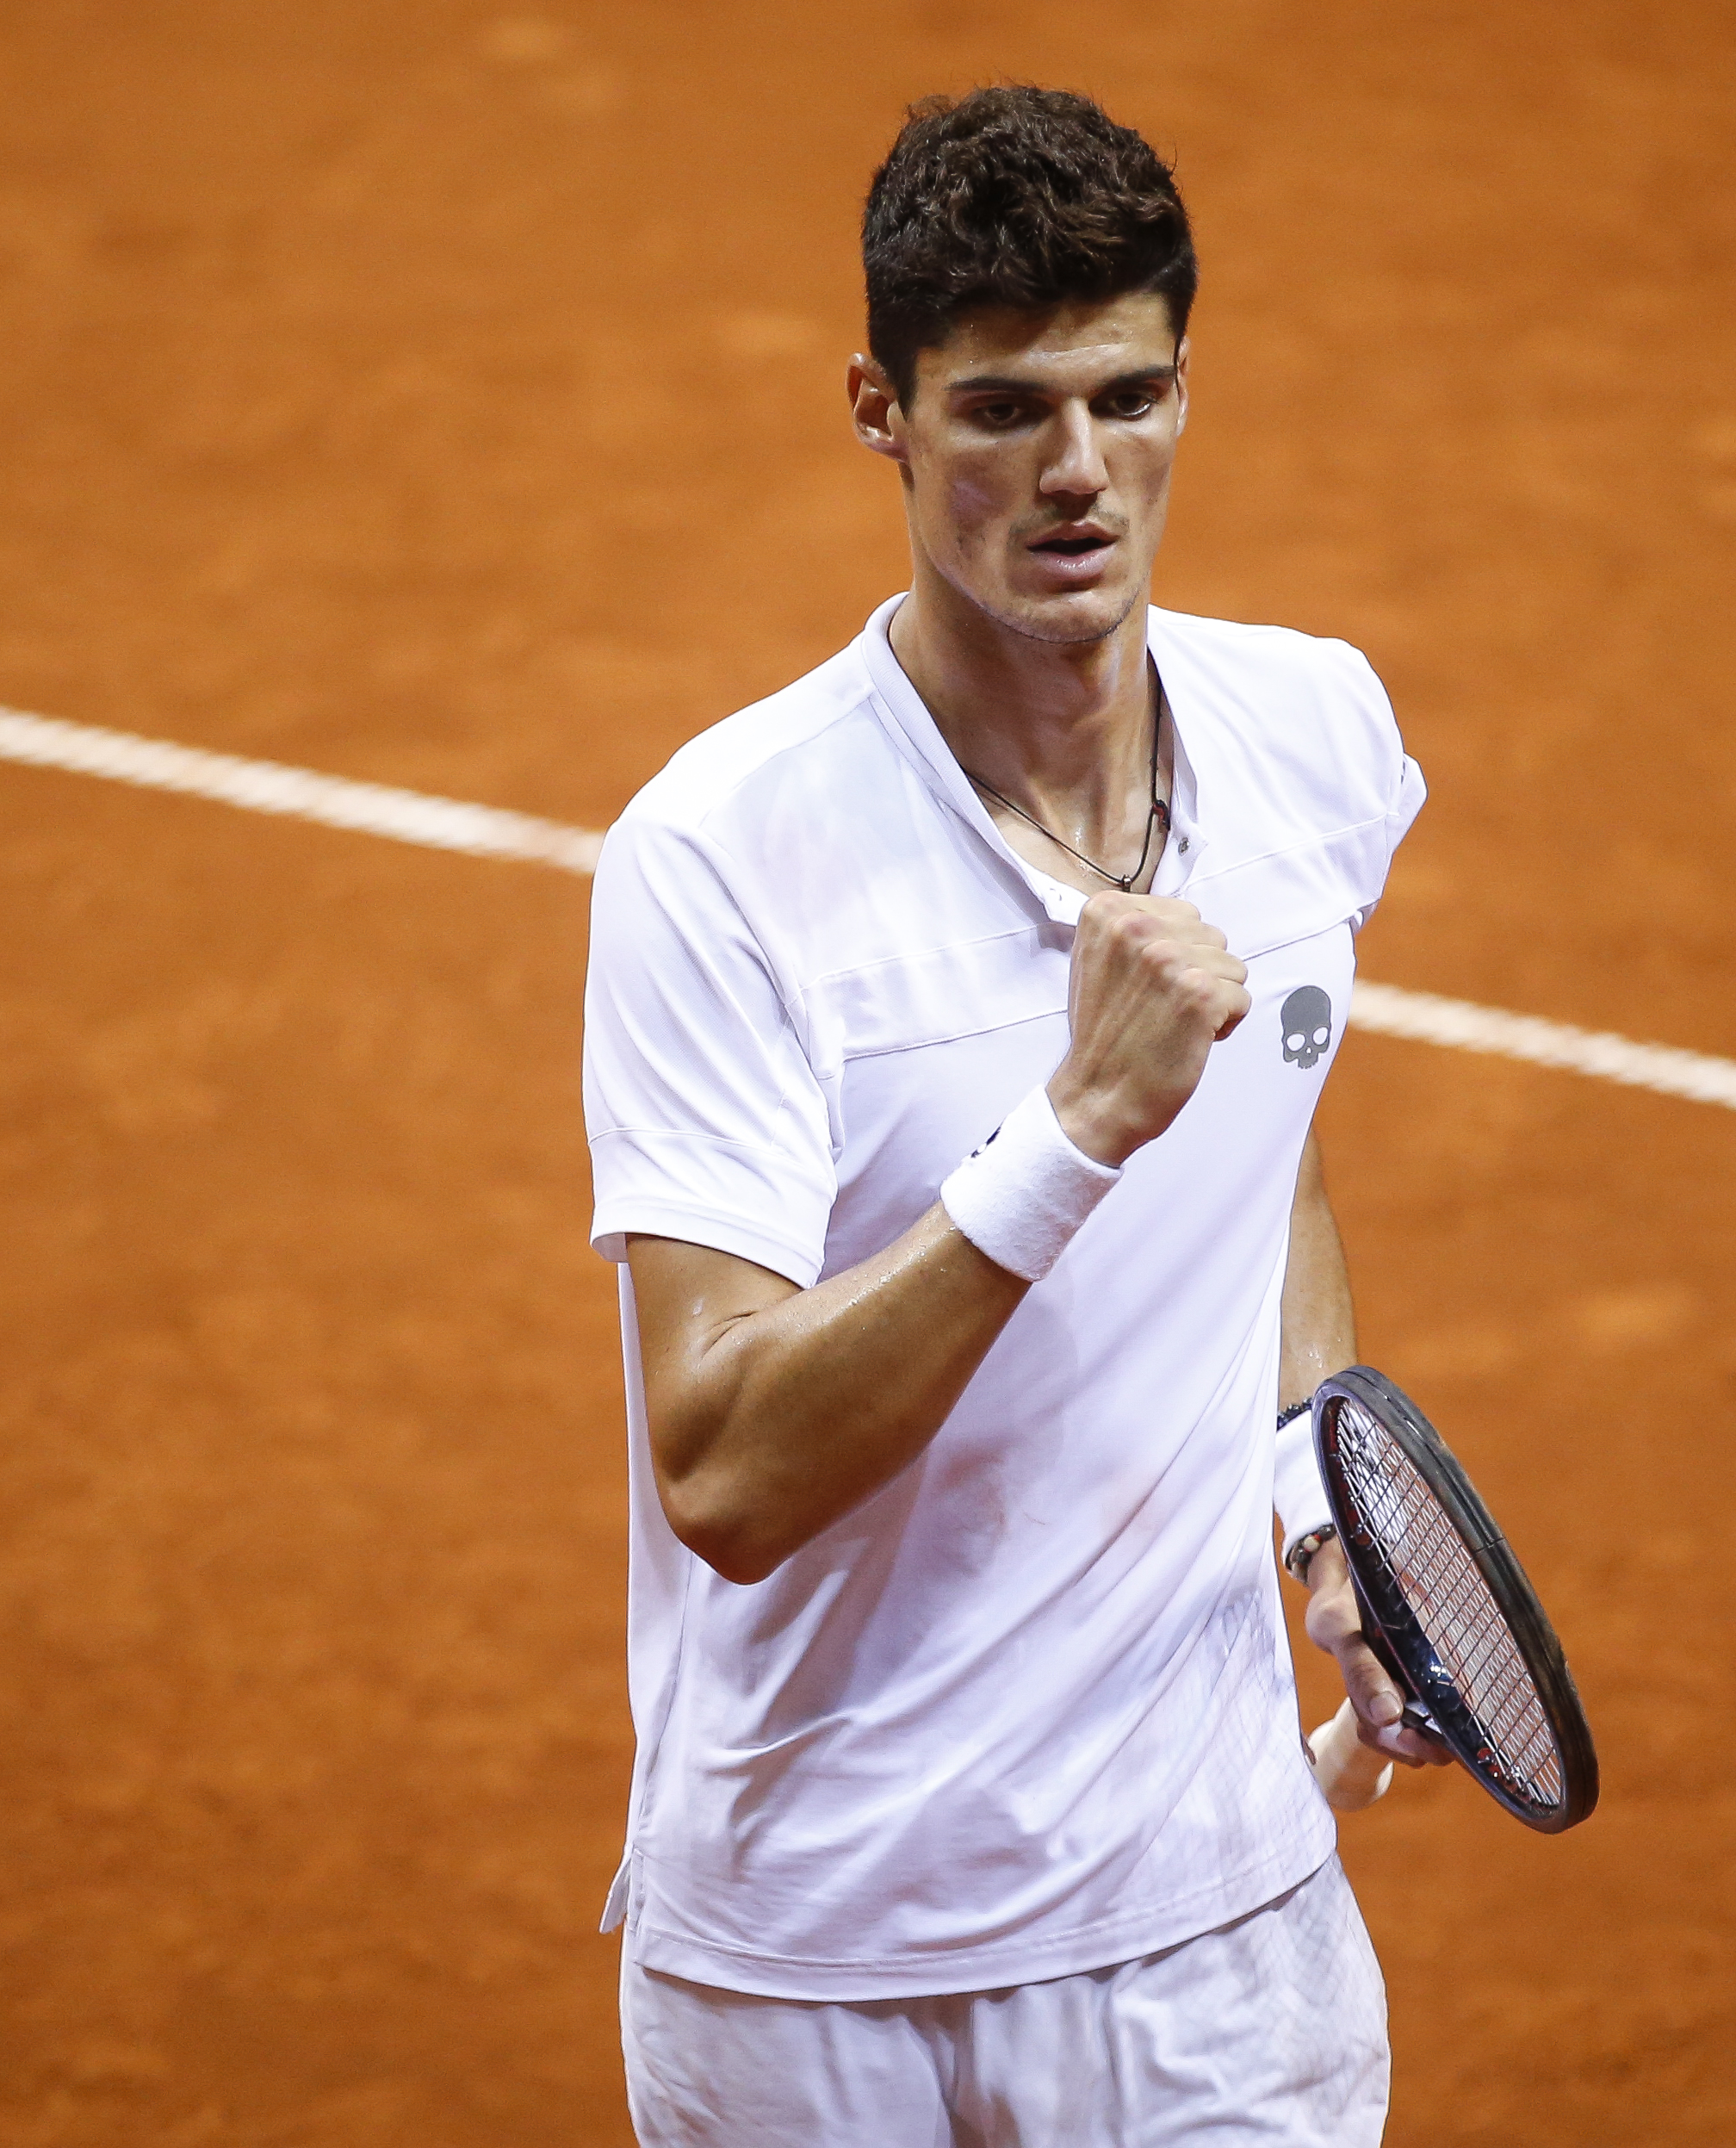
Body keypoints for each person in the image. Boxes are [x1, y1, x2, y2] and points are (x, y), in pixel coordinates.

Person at [580, 84, 1438, 2145]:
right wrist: (1072, 1127)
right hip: (813, 1972)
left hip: (1214, 1929)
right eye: (1003, 411)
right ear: (878, 410)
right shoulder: (721, 858)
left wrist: (1324, 1488)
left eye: (1130, 397)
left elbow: (1269, 1154)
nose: (1080, 474)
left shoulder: (1318, 737)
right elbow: (726, 1465)